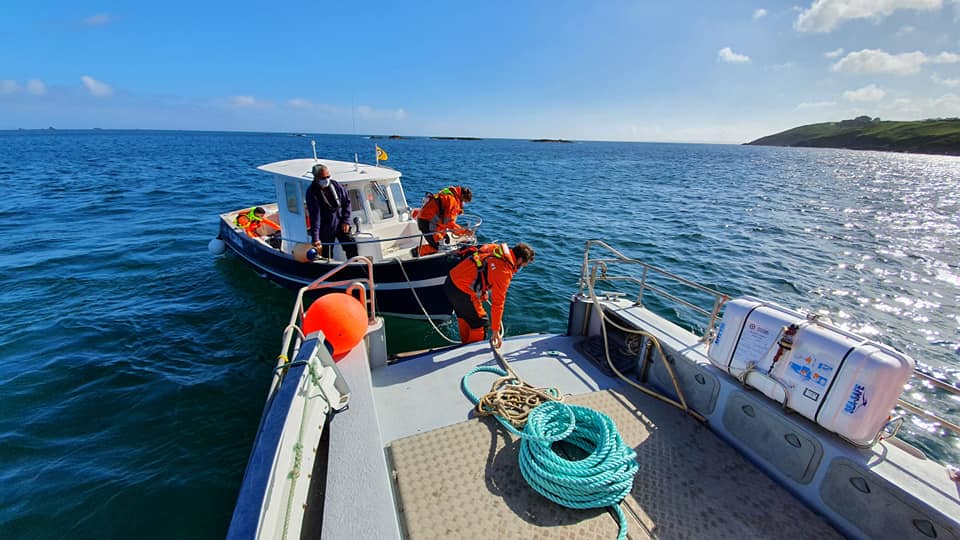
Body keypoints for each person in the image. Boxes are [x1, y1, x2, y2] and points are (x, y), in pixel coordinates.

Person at [444, 242, 535, 347]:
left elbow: (480, 267)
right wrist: (496, 331)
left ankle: (464, 345)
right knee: (480, 324)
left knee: (466, 317)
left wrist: (482, 292)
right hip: (462, 290)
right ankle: (469, 353)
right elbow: (498, 303)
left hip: (450, 282)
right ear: (519, 260)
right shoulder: (504, 272)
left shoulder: (495, 249)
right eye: (523, 265)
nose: (520, 268)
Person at [306, 163, 358, 259]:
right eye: (323, 178)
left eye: (328, 176)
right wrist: (316, 238)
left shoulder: (336, 185)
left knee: (351, 245)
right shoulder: (312, 193)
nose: (326, 180)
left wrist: (346, 221)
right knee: (327, 253)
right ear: (316, 178)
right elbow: (315, 216)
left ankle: (355, 265)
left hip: (341, 224)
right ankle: (329, 272)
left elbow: (347, 202)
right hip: (325, 228)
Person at [415, 186, 472, 256]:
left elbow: (443, 210)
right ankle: (416, 252)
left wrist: (458, 210)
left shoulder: (450, 194)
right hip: (428, 222)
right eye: (464, 201)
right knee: (440, 247)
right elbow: (449, 224)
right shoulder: (452, 201)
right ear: (462, 196)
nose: (464, 204)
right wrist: (464, 231)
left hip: (432, 222)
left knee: (447, 241)